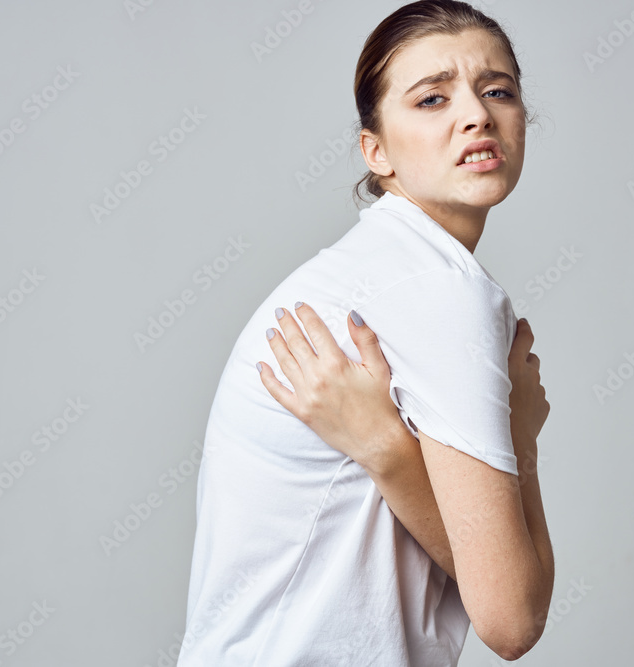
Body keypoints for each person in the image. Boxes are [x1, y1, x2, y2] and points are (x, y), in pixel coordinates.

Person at [175, 2, 553, 664]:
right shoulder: (435, 288)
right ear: (375, 151)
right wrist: (519, 439)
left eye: (498, 90)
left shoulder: (375, 270)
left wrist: (385, 448)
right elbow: (514, 614)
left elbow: (484, 571)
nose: (477, 114)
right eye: (432, 98)